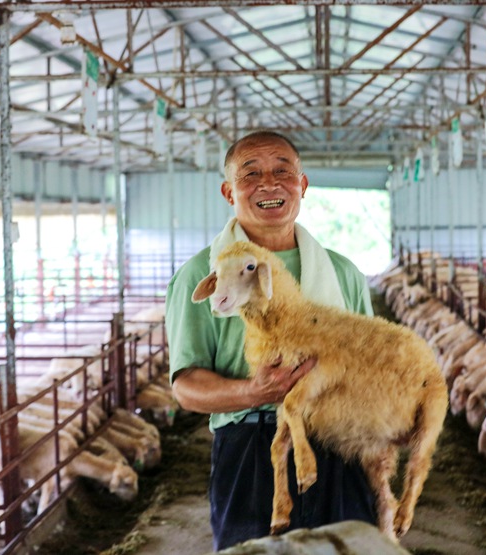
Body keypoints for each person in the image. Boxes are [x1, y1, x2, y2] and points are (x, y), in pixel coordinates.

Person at [165, 130, 377, 551]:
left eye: (283, 171)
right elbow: (186, 386)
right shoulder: (201, 275)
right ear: (229, 192)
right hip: (252, 448)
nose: (269, 183)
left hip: (340, 443)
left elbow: (371, 369)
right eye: (251, 174)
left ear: (302, 186)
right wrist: (253, 391)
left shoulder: (343, 274)